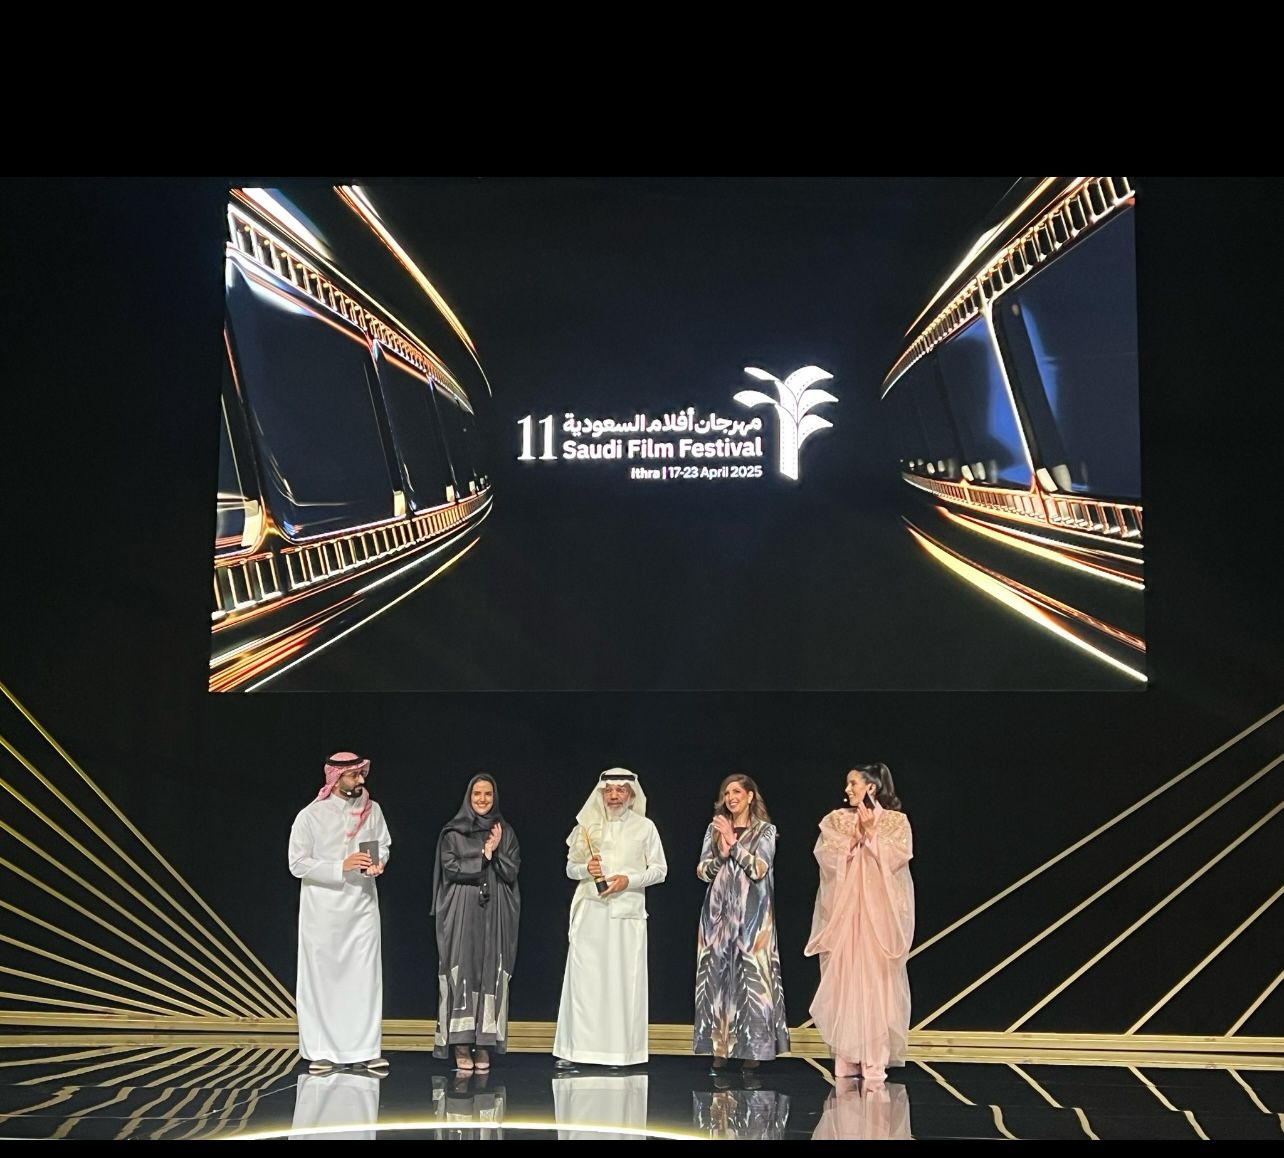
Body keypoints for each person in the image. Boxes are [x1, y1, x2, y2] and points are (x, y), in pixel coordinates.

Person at [804, 762, 914, 1085]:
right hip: (848, 915)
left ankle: (874, 1058)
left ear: (871, 787)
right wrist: (855, 838)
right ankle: (848, 1056)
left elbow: (898, 860)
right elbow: (827, 857)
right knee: (847, 980)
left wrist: (873, 835)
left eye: (853, 783)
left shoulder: (895, 821)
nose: (847, 790)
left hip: (878, 917)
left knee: (876, 984)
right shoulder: (839, 819)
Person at [553, 768, 668, 1069]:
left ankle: (619, 1053)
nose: (614, 795)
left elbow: (660, 871)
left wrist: (628, 881)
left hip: (626, 915)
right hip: (591, 912)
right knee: (585, 983)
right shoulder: (587, 826)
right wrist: (586, 869)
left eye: (621, 790)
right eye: (609, 790)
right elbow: (571, 869)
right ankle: (575, 1051)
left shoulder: (645, 827)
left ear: (631, 795)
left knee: (621, 984)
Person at [288, 751, 392, 1075]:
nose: (361, 780)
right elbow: (297, 863)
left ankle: (365, 1050)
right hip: (323, 913)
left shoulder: (372, 810)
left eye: (362, 774)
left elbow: (381, 844)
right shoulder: (310, 816)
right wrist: (339, 866)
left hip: (362, 908)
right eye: (354, 775)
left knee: (364, 979)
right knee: (323, 982)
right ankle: (321, 1052)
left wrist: (377, 862)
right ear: (335, 779)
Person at [692, 774, 789, 1073]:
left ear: (749, 796)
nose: (731, 797)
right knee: (718, 979)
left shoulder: (765, 831)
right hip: (718, 917)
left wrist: (734, 845)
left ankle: (753, 1050)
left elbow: (759, 869)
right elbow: (702, 871)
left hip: (753, 918)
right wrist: (721, 854)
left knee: (752, 980)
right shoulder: (715, 828)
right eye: (726, 793)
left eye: (736, 792)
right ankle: (720, 1049)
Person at [431, 773, 521, 1072]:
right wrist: (484, 854)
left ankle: (484, 1045)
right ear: (469, 798)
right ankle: (460, 1044)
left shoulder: (504, 831)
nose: (482, 800)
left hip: (494, 910)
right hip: (462, 908)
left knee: (489, 969)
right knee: (463, 968)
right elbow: (451, 868)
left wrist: (495, 853)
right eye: (477, 794)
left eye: (488, 794)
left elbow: (512, 871)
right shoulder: (453, 832)